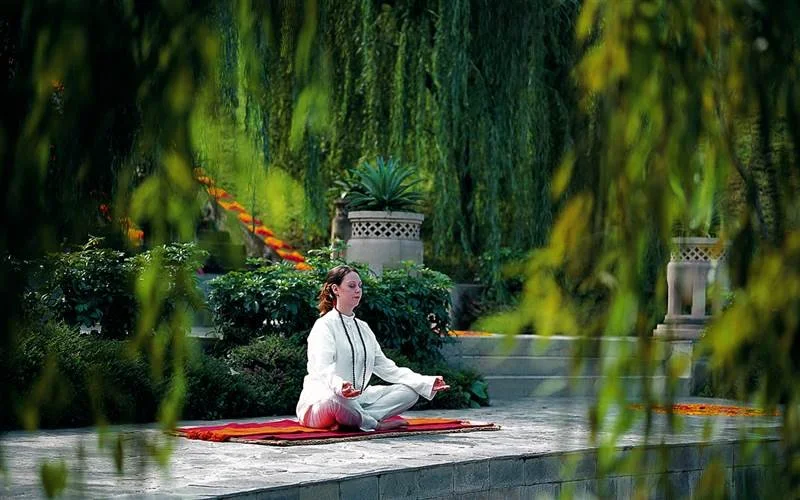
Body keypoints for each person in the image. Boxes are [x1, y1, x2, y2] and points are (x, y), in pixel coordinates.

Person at [296, 265, 450, 431]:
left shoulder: (363, 328)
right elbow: (323, 368)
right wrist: (341, 387)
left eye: (360, 286)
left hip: (357, 400)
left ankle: (353, 419)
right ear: (335, 289)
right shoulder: (324, 326)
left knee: (410, 392)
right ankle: (372, 423)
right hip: (322, 401)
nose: (358, 290)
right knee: (337, 400)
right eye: (351, 286)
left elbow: (387, 368)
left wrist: (425, 382)